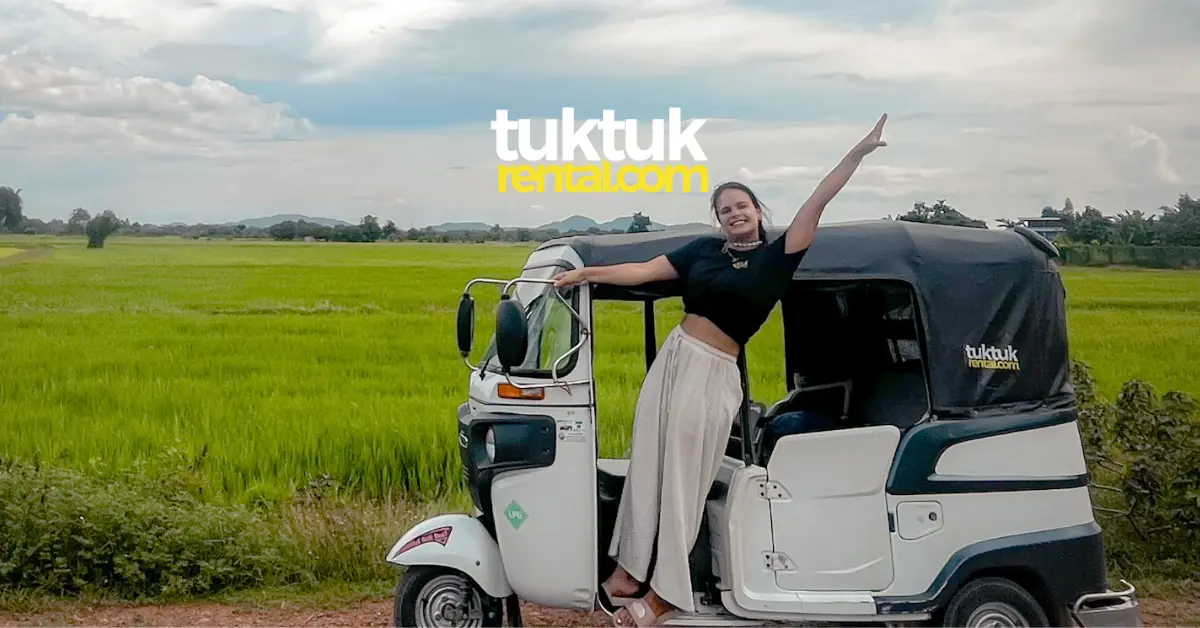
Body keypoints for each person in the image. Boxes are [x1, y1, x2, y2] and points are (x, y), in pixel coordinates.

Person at [552, 113, 889, 627]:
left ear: (757, 211)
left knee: (684, 479)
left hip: (713, 373)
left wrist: (857, 153)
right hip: (674, 360)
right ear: (718, 218)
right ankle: (627, 573)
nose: (734, 214)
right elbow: (644, 272)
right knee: (649, 463)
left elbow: (817, 201)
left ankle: (665, 594)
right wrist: (587, 274)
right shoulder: (704, 252)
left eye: (742, 206)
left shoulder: (779, 257)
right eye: (725, 209)